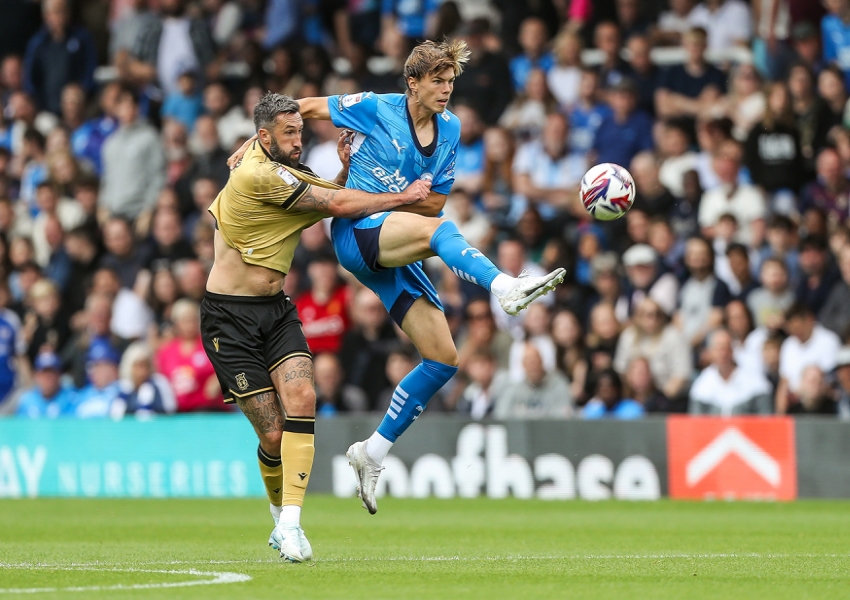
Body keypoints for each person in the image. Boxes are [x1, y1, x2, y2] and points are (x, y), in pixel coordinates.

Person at [286, 40, 566, 516]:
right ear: (411, 83)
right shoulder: (374, 108)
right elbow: (305, 107)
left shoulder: (450, 128)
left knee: (443, 358)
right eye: (437, 80)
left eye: (450, 81)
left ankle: (371, 452)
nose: (446, 89)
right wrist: (261, 139)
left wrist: (404, 196)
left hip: (396, 235)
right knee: (442, 231)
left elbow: (433, 201)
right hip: (357, 233)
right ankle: (505, 287)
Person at [203, 92, 431, 562]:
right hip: (228, 316)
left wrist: (345, 172)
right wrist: (404, 198)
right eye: (289, 133)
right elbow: (336, 203)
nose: (298, 140)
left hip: (275, 309)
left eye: (300, 131)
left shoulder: (278, 168)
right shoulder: (256, 172)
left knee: (304, 397)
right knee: (271, 433)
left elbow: (324, 198)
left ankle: (291, 524)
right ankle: (277, 518)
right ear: (263, 136)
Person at [776, 302, 841, 413]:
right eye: (792, 330)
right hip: (795, 403)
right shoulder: (788, 345)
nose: (796, 333)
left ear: (809, 320)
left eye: (799, 328)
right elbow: (784, 382)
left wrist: (806, 390)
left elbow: (831, 381)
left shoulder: (829, 341)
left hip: (823, 402)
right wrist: (779, 415)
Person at [689, 329, 773, 415]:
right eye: (718, 349)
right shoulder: (702, 385)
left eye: (726, 348)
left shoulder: (755, 382)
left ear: (733, 350)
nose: (723, 354)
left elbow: (765, 418)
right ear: (710, 352)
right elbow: (696, 421)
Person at [493, 342, 573, 419]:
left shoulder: (558, 383)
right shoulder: (514, 388)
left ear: (542, 361)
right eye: (529, 362)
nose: (533, 365)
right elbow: (501, 415)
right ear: (523, 365)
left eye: (535, 360)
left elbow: (565, 413)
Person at [15, 350, 75, 417]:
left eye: (52, 373)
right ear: (36, 375)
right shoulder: (27, 400)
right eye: (44, 373)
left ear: (59, 375)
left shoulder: (72, 399)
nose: (48, 378)